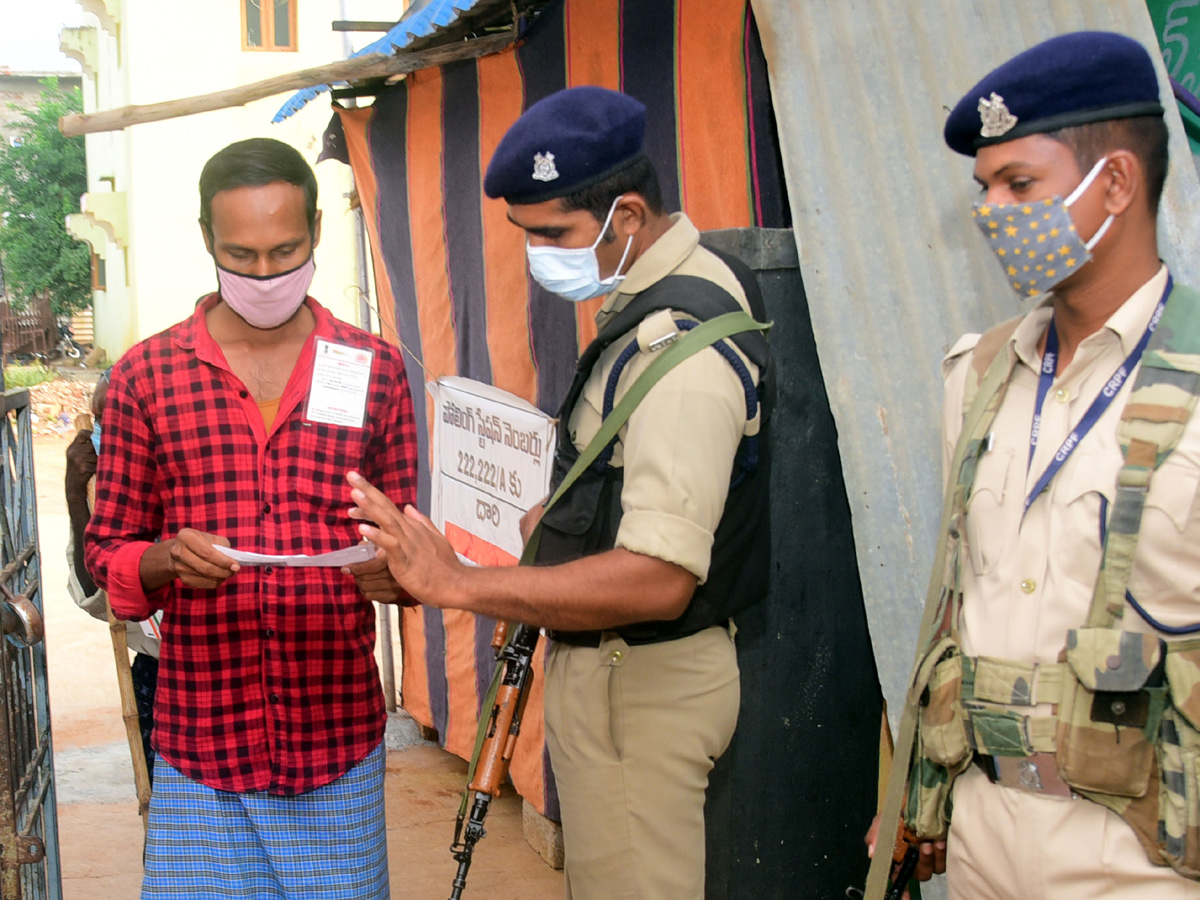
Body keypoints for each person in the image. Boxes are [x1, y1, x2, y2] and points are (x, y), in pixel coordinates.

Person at [346, 85, 770, 900]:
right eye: (527, 234)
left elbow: (659, 576)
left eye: (553, 235)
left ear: (630, 216)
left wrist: (459, 584)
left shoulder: (675, 351)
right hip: (620, 674)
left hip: (637, 684)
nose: (537, 256)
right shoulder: (666, 292)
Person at [867, 31, 1200, 900]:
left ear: (1116, 183)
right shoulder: (977, 375)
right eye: (984, 190)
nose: (992, 213)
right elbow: (954, 607)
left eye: (1020, 185)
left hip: (1141, 859)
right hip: (982, 838)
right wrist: (906, 792)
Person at [84, 137, 417, 900]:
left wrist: (397, 572)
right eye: (241, 254)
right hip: (202, 746)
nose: (265, 274)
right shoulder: (148, 376)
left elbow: (408, 539)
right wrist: (165, 560)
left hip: (335, 742)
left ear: (316, 237)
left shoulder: (375, 369)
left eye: (284, 250)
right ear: (206, 239)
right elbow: (107, 552)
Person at [65, 368, 161, 782]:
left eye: (118, 418)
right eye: (101, 420)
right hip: (157, 674)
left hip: (227, 665)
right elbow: (97, 597)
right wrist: (75, 494)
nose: (109, 431)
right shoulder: (104, 493)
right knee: (167, 818)